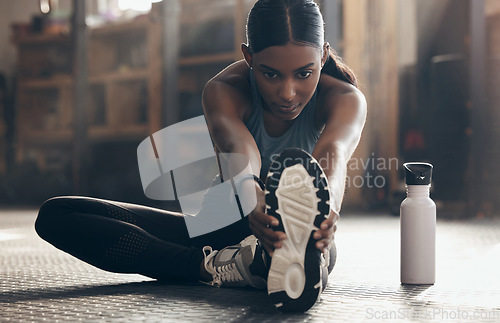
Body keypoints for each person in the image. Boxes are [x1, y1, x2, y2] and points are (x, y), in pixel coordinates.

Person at [35, 0, 366, 313]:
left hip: (288, 235)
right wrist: (255, 203)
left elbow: (332, 157)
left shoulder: (345, 99)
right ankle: (218, 267)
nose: (288, 92)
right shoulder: (224, 89)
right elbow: (239, 152)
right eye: (271, 74)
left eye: (304, 74)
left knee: (322, 252)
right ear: (248, 57)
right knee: (57, 214)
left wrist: (327, 211)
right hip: (224, 222)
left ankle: (246, 264)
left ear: (323, 56)